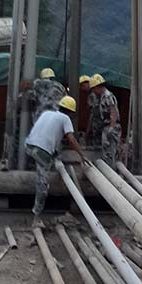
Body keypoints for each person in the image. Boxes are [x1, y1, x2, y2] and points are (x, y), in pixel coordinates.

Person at [25, 95, 86, 226]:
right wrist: (82, 155)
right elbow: (71, 139)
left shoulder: (47, 113)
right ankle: (36, 217)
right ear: (71, 112)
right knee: (43, 185)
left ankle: (37, 169)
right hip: (41, 151)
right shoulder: (65, 118)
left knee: (46, 159)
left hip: (29, 145)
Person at [89, 74, 121, 169]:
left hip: (111, 126)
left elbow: (113, 112)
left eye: (93, 89)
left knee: (111, 151)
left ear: (97, 87)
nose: (93, 92)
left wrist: (111, 127)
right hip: (105, 127)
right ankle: (108, 169)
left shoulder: (108, 96)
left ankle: (112, 171)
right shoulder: (99, 97)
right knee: (106, 151)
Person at [85, 72, 103, 148]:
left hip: (99, 124)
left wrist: (87, 130)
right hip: (99, 125)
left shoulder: (93, 96)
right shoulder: (95, 95)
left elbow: (92, 113)